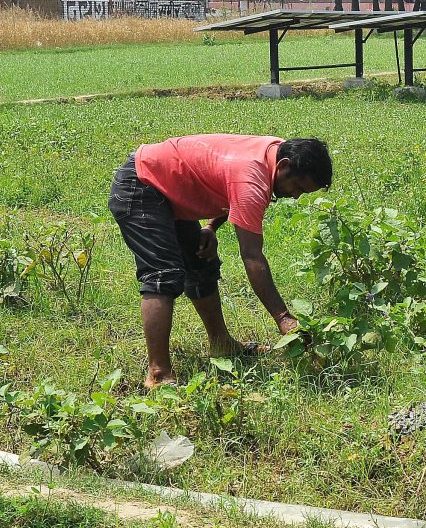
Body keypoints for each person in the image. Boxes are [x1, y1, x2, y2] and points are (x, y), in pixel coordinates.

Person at [108, 134, 331, 388]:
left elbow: (225, 181)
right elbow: (251, 255)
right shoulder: (252, 178)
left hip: (169, 184)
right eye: (298, 188)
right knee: (163, 275)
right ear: (284, 166)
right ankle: (158, 374)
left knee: (201, 261)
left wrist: (211, 226)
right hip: (142, 185)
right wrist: (283, 318)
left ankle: (221, 343)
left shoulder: (275, 152)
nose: (296, 196)